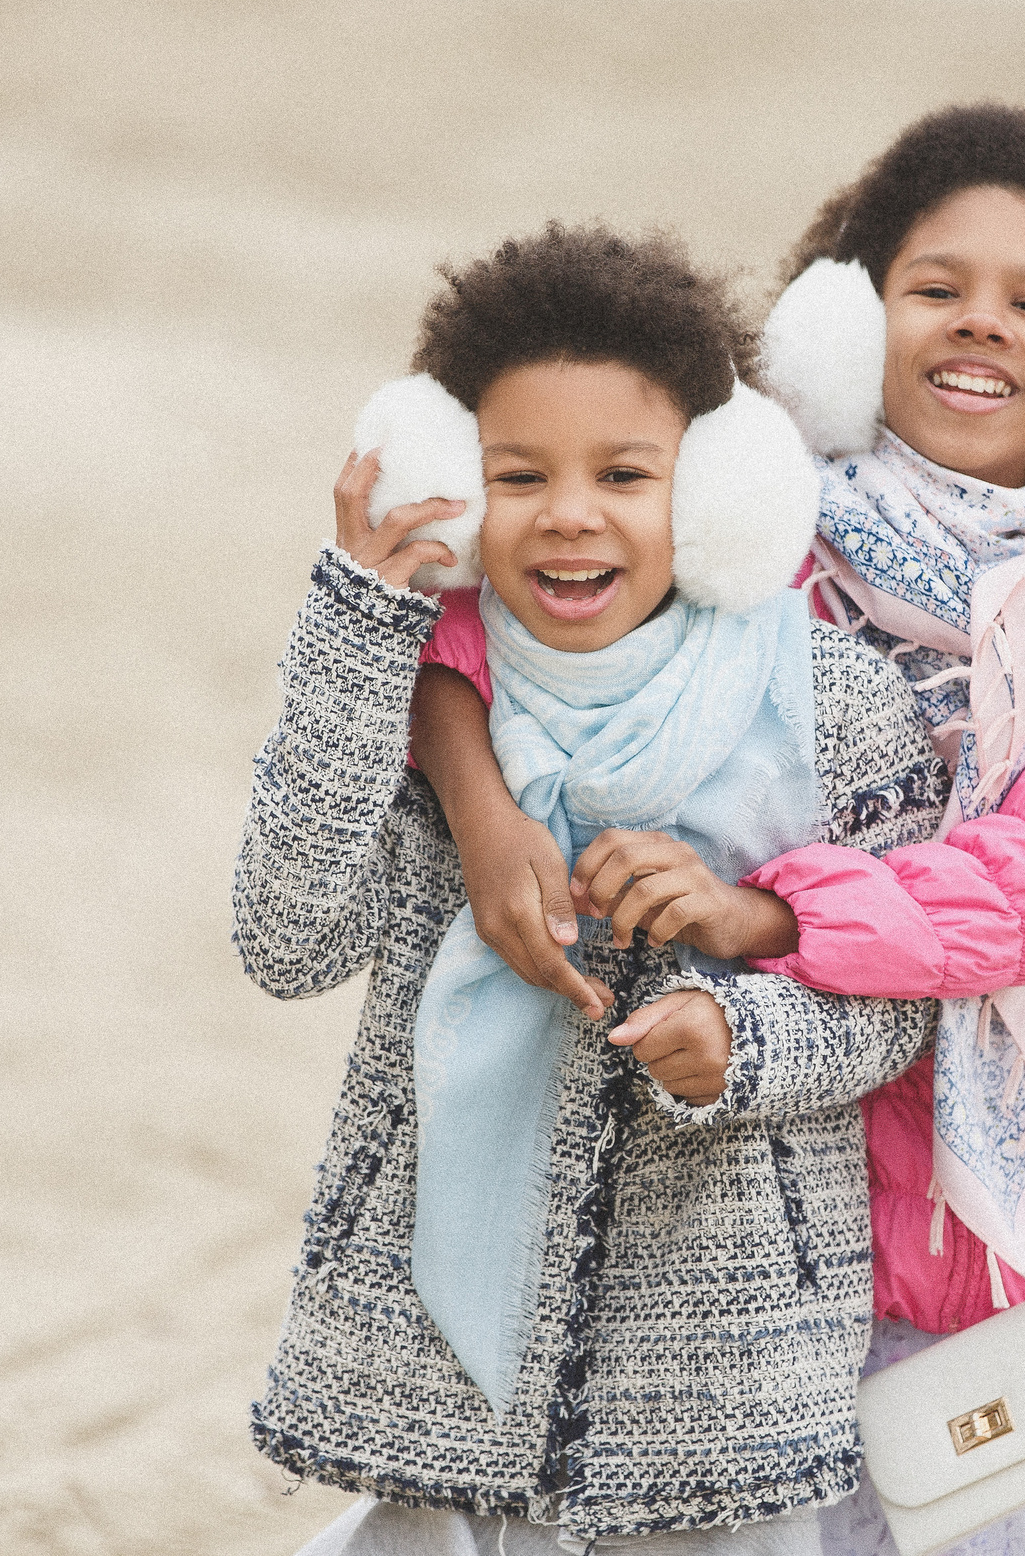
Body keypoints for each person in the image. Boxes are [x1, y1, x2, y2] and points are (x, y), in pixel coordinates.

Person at [411, 107, 1025, 1554]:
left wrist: (775, 914)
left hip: (1009, 1231)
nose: (979, 324)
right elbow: (494, 620)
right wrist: (480, 809)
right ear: (847, 325)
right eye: (935, 286)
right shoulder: (750, 536)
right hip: (759, 1188)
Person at [232, 222, 955, 1554]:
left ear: (719, 484)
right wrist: (356, 627)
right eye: (517, 475)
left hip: (723, 1363)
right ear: (456, 482)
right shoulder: (400, 688)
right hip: (438, 1359)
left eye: (625, 473)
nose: (570, 513)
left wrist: (740, 1037)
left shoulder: (834, 705)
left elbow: (900, 998)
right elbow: (287, 939)